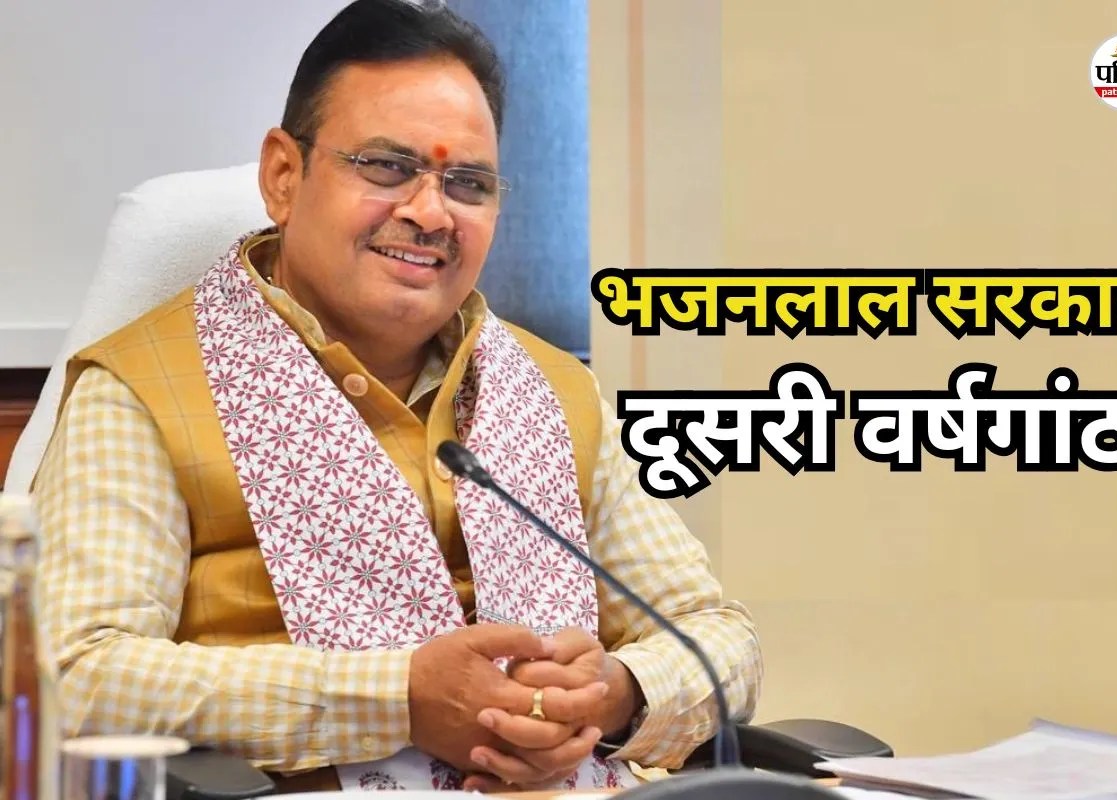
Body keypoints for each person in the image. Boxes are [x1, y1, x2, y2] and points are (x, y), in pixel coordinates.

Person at [31, 0, 762, 793]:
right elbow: (72, 675)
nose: (430, 213)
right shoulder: (144, 391)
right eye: (386, 167)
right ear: (283, 176)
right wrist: (398, 700)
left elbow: (718, 638)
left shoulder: (555, 391)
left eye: (467, 183)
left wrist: (616, 694)